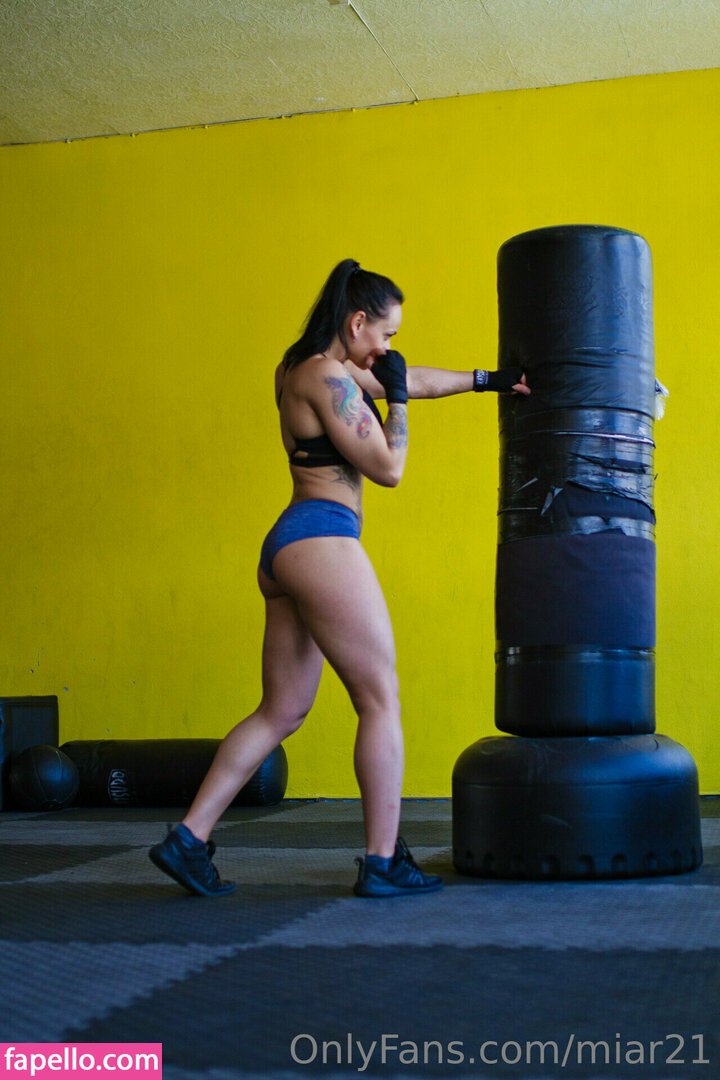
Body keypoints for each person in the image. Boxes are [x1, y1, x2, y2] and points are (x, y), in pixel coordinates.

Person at [149, 258, 529, 898]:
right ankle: (382, 862)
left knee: (281, 709)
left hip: (288, 547)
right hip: (322, 539)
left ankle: (188, 838)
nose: (388, 347)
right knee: (380, 698)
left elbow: (413, 378)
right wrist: (397, 400)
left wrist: (488, 381)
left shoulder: (301, 368)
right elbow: (388, 467)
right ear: (356, 323)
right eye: (385, 333)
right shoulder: (327, 378)